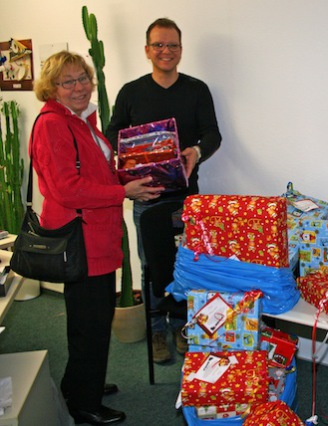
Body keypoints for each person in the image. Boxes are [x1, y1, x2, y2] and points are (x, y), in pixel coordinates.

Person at [32, 51, 164, 425]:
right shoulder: (53, 125)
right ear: (52, 88)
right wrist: (124, 193)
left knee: (90, 319)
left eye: (83, 78)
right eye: (68, 81)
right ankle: (84, 405)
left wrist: (133, 179)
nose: (79, 87)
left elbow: (101, 172)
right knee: (89, 323)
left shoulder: (81, 120)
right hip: (81, 240)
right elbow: (67, 189)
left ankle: (80, 385)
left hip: (96, 236)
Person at [106, 17, 222, 364]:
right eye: (158, 45)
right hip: (145, 196)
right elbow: (112, 133)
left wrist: (197, 151)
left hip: (187, 195)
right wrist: (133, 154)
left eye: (172, 45)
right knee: (150, 265)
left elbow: (213, 134)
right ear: (147, 50)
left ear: (181, 50)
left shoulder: (197, 89)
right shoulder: (131, 91)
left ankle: (181, 324)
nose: (165, 51)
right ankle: (155, 327)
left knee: (186, 263)